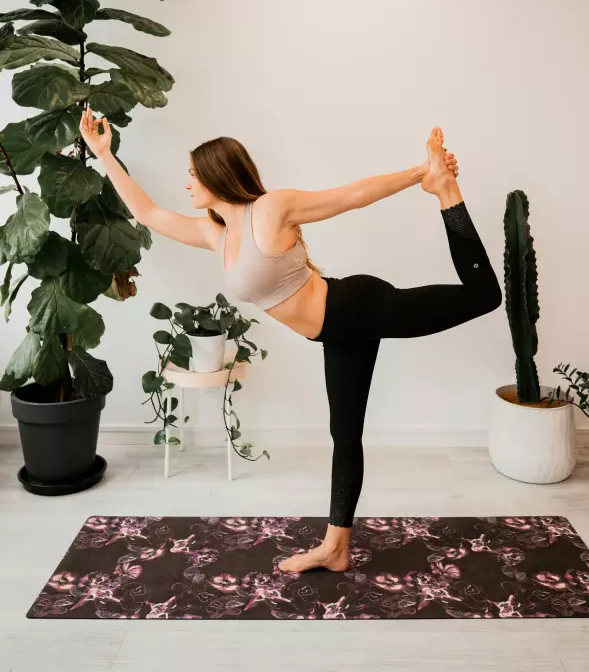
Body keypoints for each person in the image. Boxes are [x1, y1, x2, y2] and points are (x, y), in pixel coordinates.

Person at [79, 111, 502, 575]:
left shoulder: (271, 209)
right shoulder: (214, 235)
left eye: (193, 176)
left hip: (358, 305)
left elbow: (351, 196)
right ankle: (335, 548)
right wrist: (104, 153)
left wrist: (423, 173)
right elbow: (148, 213)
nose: (187, 186)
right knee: (345, 435)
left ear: (219, 176)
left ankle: (446, 191)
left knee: (483, 296)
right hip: (338, 331)